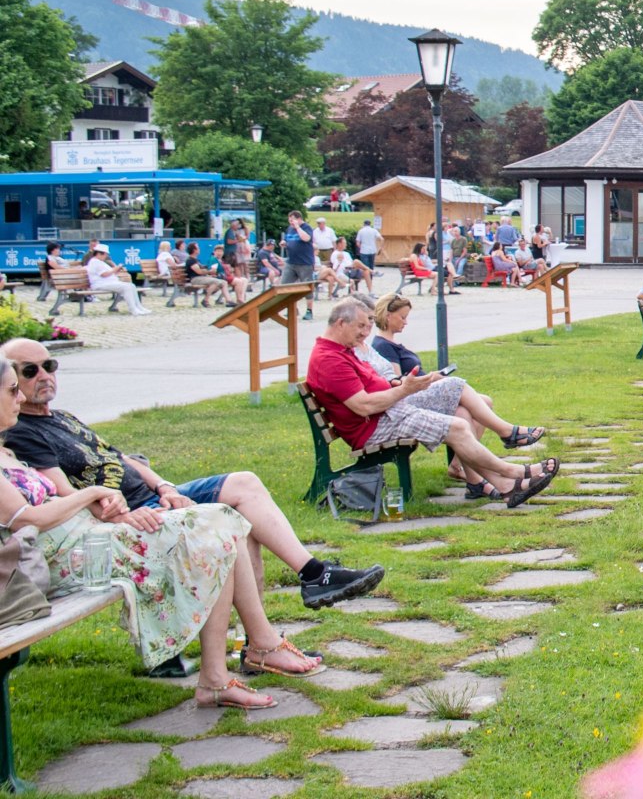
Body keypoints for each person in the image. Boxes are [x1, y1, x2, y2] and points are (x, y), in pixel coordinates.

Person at [0, 365, 327, 705]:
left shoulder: (8, 448)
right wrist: (93, 496)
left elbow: (105, 466)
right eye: (12, 389)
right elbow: (27, 519)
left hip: (91, 536)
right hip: (69, 556)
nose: (20, 397)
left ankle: (233, 665)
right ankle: (238, 662)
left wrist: (122, 503)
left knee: (221, 524)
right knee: (214, 528)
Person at [0, 338, 385, 613]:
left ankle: (306, 583)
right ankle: (292, 602)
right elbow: (68, 495)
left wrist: (165, 485)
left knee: (245, 483)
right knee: (238, 524)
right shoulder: (23, 432)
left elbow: (121, 458)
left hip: (153, 498)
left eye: (49, 365)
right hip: (134, 516)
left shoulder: (62, 417)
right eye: (29, 371)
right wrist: (120, 513)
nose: (43, 375)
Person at [305, 300, 558, 505]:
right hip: (376, 425)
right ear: (340, 323)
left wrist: (399, 386)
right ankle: (513, 472)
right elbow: (364, 406)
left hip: (387, 413)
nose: (364, 333)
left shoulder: (342, 350)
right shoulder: (330, 359)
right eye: (360, 326)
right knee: (458, 426)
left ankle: (504, 486)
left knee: (458, 410)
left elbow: (374, 384)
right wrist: (405, 389)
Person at [366, 293, 545, 497]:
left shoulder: (389, 344)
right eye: (402, 317)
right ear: (388, 316)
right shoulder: (382, 346)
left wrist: (432, 378)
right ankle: (507, 433)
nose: (405, 322)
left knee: (471, 408)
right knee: (457, 385)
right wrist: (432, 380)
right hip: (407, 403)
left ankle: (469, 475)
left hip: (416, 395)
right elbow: (400, 385)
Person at [84, 242, 150, 315]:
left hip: (107, 283)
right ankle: (133, 309)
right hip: (100, 284)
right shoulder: (95, 262)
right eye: (105, 254)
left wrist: (116, 270)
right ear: (99, 253)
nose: (106, 256)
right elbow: (104, 274)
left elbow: (108, 273)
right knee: (126, 287)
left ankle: (139, 307)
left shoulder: (99, 262)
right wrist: (115, 269)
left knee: (132, 286)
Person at [183, 242, 234, 307]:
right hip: (195, 279)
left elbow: (202, 269)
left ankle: (229, 301)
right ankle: (205, 300)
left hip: (201, 278)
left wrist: (208, 270)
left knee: (223, 282)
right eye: (198, 248)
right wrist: (209, 271)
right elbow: (199, 272)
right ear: (194, 250)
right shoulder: (190, 260)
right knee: (216, 282)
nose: (199, 249)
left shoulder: (195, 260)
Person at [282, 211, 317, 284]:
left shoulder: (307, 227)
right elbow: (287, 239)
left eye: (292, 220)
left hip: (304, 263)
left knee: (307, 287)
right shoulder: (290, 228)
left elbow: (306, 238)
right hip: (291, 262)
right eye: (289, 221)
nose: (291, 223)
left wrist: (297, 227)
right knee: (284, 285)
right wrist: (284, 242)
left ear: (299, 219)